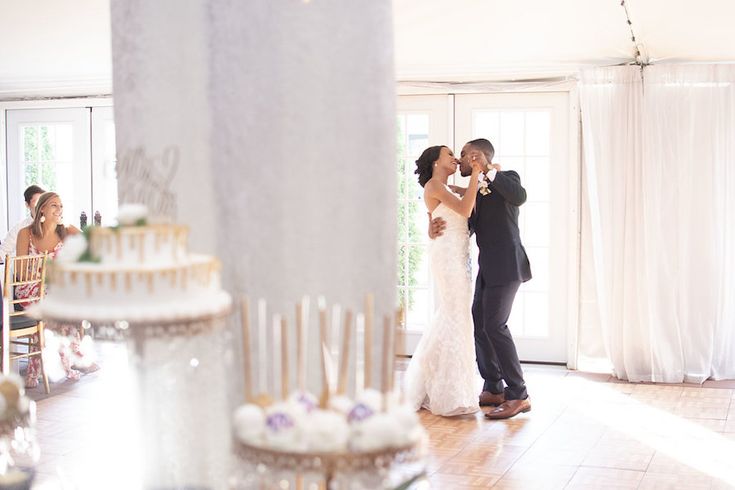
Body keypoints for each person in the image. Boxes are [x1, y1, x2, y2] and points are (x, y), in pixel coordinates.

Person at [430, 138, 532, 420]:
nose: (459, 160)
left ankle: (519, 394)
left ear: (476, 156)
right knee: (479, 321)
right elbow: (466, 226)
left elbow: (519, 196)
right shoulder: (477, 191)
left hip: (508, 266)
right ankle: (493, 386)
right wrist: (434, 224)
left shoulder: (506, 178)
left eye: (462, 155)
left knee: (495, 325)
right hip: (487, 268)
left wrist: (488, 170)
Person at [403, 145, 483, 416]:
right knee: (455, 313)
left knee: (454, 314)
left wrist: (479, 176)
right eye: (449, 155)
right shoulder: (435, 185)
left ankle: (433, 382)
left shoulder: (443, 187)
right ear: (436, 162)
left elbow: (458, 205)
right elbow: (464, 208)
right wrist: (475, 174)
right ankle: (448, 392)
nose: (455, 159)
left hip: (458, 254)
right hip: (448, 256)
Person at [15, 192, 97, 388]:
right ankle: (76, 356)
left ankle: (37, 370)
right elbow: (20, 273)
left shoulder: (66, 232)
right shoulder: (26, 233)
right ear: (41, 208)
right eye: (54, 205)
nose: (59, 209)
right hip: (29, 289)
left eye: (61, 206)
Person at [0, 185, 45, 263]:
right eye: (36, 201)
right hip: (26, 272)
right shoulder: (19, 228)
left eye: (42, 201)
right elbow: (3, 252)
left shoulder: (55, 225)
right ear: (27, 205)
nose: (40, 205)